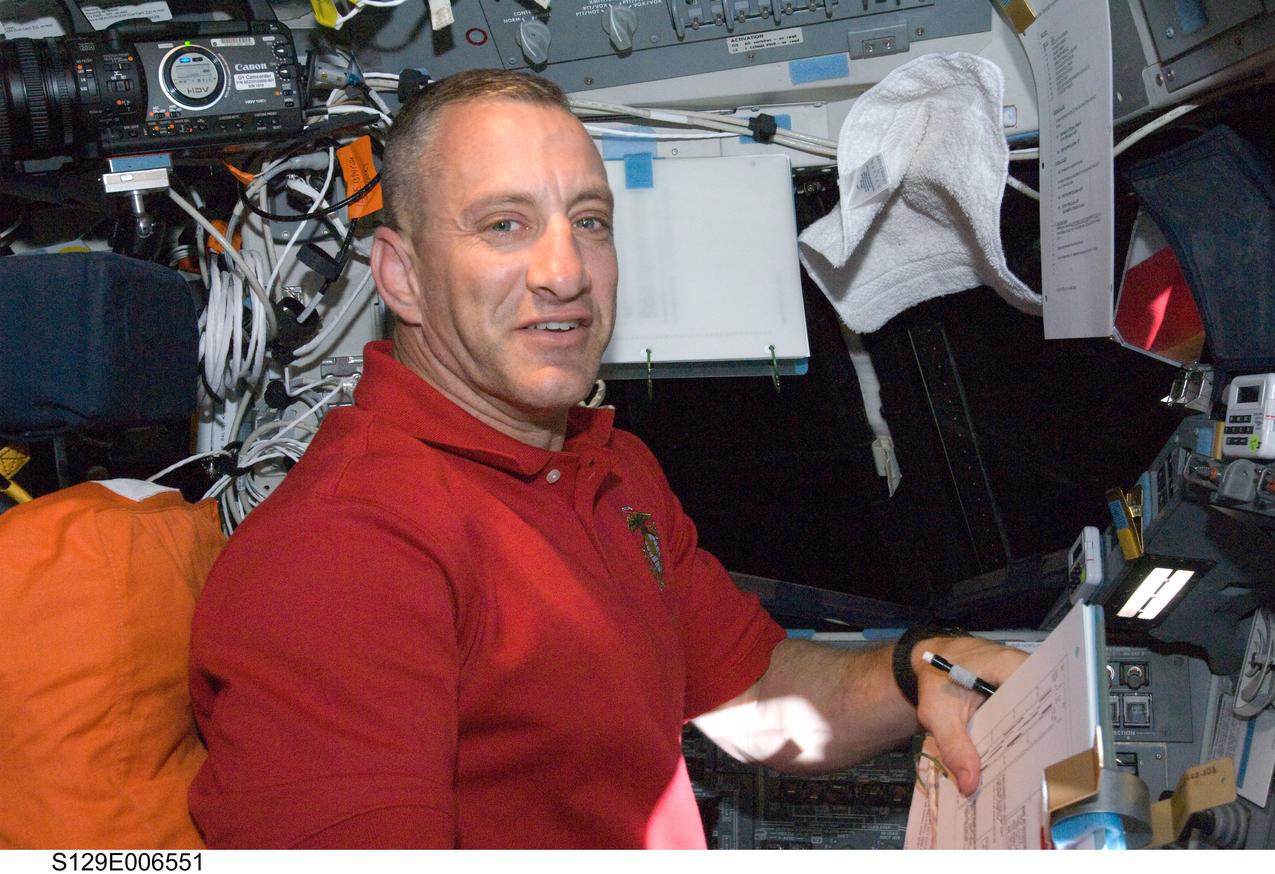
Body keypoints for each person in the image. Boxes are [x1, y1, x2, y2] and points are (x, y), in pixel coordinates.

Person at [187, 69, 1026, 849]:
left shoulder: (611, 465)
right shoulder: (345, 548)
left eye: (589, 222)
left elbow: (755, 692)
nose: (565, 272)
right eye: (504, 225)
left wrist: (916, 670)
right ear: (400, 277)